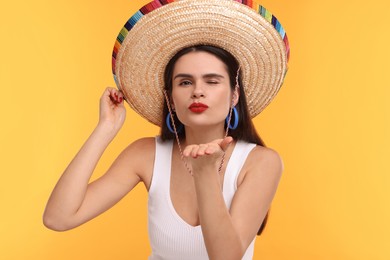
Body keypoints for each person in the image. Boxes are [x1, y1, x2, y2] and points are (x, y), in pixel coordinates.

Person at [43, 0, 290, 259]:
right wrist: (105, 128)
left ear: (234, 95)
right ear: (170, 98)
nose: (197, 91)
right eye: (185, 82)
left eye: (212, 81)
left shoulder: (262, 162)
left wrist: (205, 173)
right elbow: (58, 218)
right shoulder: (146, 153)